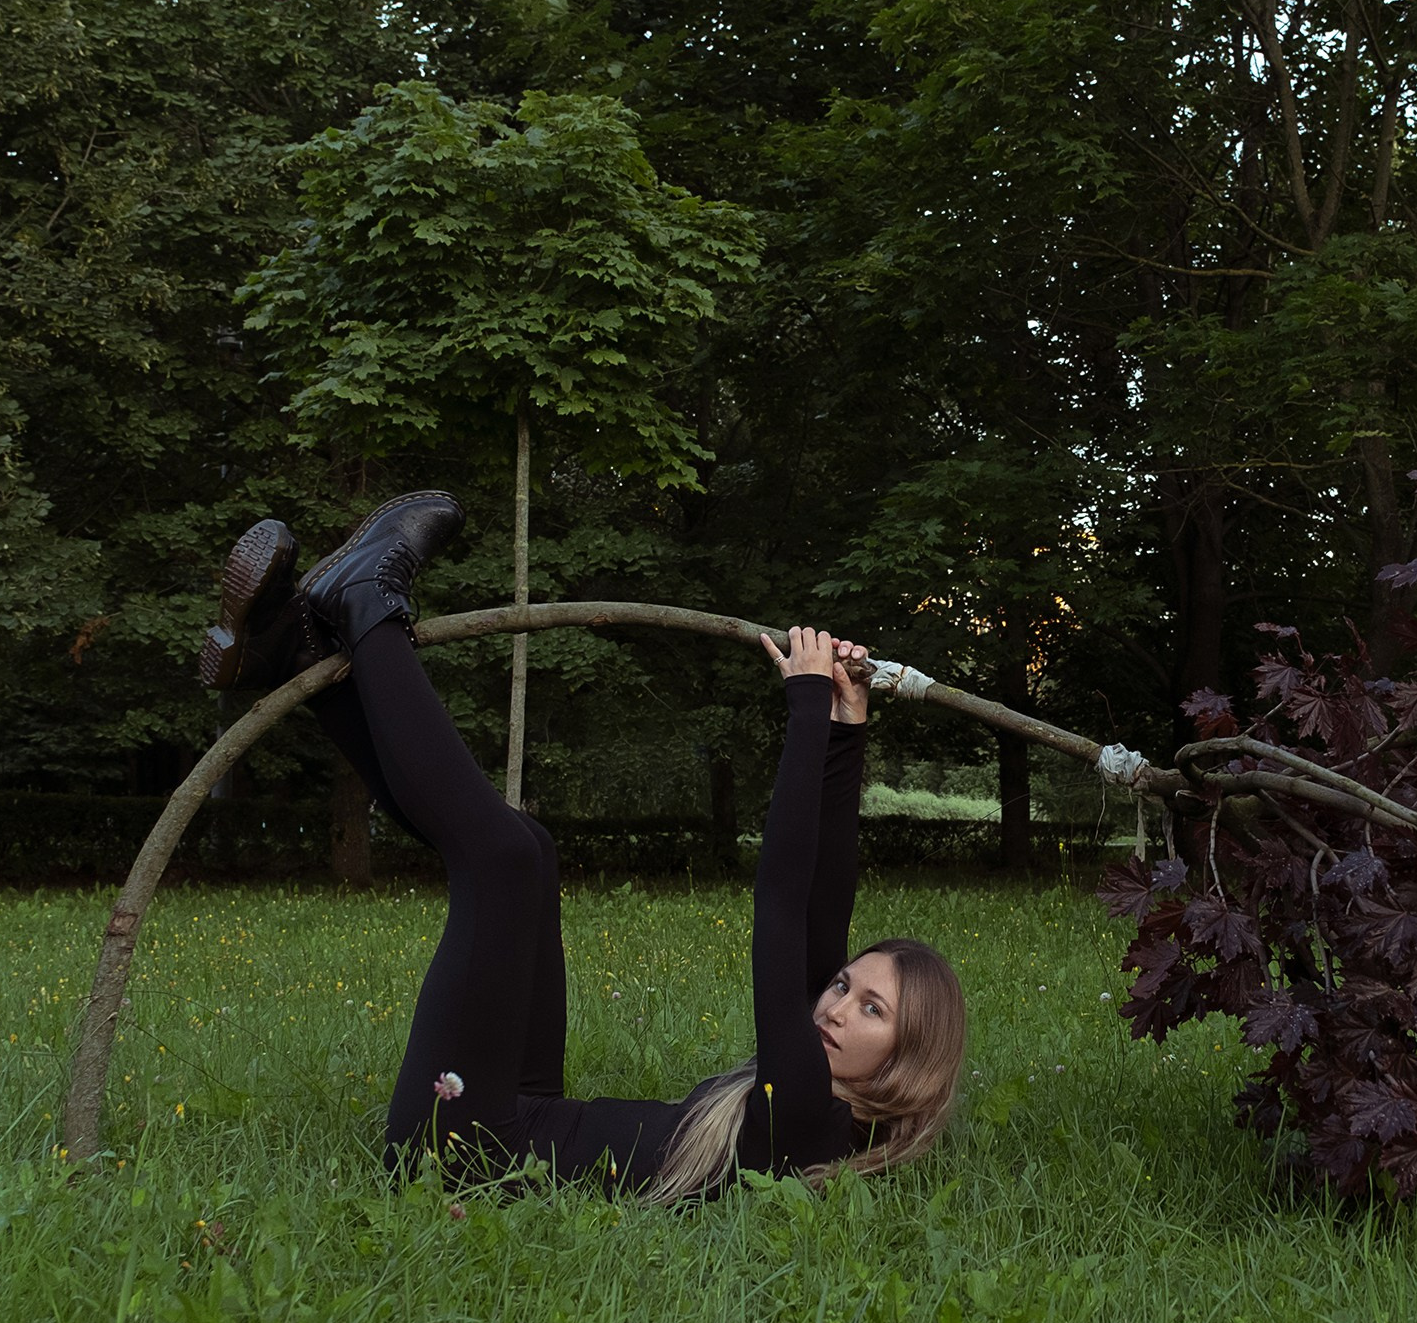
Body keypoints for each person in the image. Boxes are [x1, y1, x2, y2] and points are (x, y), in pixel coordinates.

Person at [197, 491, 965, 1198]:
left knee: (498, 861)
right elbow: (823, 905)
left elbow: (783, 905)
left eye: (871, 1010)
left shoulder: (809, 1120)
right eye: (844, 987)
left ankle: (367, 602)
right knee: (527, 849)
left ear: (907, 1065)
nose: (834, 1007)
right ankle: (304, 659)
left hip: (467, 1154)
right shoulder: (816, 1088)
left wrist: (803, 704)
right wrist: (843, 731)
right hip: (525, 1116)